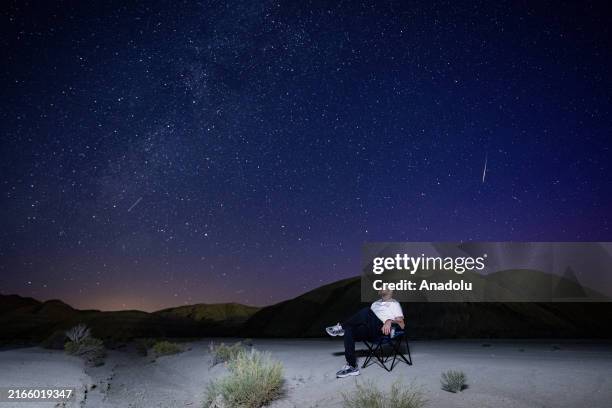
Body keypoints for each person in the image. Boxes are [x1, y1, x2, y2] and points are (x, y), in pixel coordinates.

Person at [326, 289, 405, 378]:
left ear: (391, 291)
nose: (384, 289)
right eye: (382, 288)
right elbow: (366, 320)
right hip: (370, 332)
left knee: (367, 311)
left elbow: (402, 324)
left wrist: (389, 320)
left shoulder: (394, 304)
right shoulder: (375, 304)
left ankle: (341, 327)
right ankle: (352, 366)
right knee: (349, 330)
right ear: (379, 292)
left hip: (383, 332)